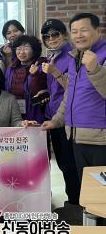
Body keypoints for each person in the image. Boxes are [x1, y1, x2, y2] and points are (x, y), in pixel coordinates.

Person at [41, 13, 106, 183]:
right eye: (75, 31)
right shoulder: (75, 57)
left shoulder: (102, 55)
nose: (78, 35)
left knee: (101, 191)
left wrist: (95, 69)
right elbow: (70, 94)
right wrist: (56, 121)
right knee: (86, 187)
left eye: (83, 30)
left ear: (97, 31)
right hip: (77, 135)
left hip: (101, 139)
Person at [38, 19, 80, 206]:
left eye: (55, 34)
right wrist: (45, 92)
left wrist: (55, 72)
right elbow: (57, 89)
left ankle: (76, 203)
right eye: (47, 37)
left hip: (68, 119)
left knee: (70, 164)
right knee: (63, 163)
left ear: (64, 34)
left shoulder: (72, 56)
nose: (51, 39)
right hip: (53, 116)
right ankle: (72, 202)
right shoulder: (52, 56)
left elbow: (73, 88)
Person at [5, 35, 47, 122]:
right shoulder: (11, 68)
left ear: (34, 50)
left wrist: (34, 75)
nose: (21, 52)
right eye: (18, 48)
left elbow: (39, 93)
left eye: (26, 48)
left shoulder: (42, 67)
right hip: (14, 112)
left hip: (35, 113)